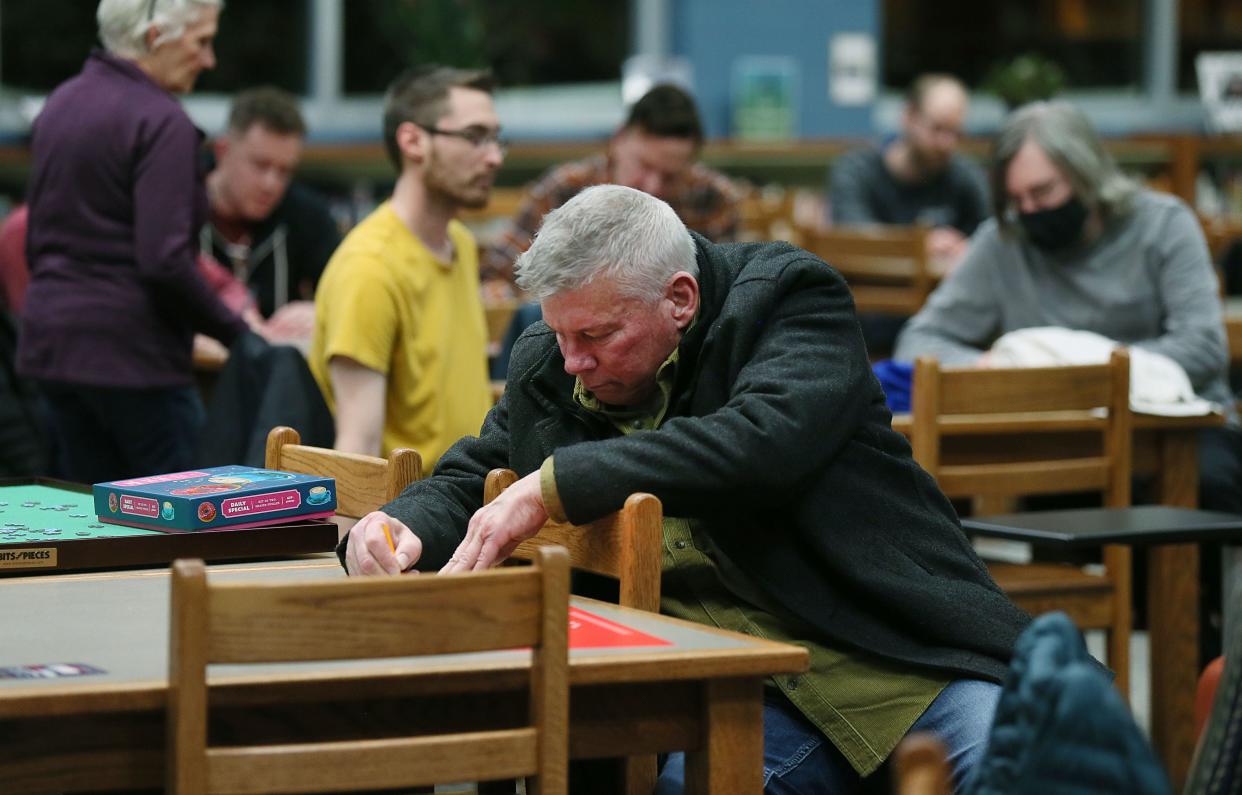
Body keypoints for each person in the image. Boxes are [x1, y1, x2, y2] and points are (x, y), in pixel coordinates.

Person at [341, 184, 1031, 792]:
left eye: (597, 334)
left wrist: (554, 485)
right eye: (558, 333)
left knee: (1027, 767)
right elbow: (476, 469)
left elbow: (763, 441)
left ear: (680, 297)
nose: (574, 362)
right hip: (734, 696)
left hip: (889, 652)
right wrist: (399, 527)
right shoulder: (550, 364)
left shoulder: (788, 299)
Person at [893, 101, 1242, 662]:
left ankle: (1201, 671)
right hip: (1058, 450)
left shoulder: (1163, 224)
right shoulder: (1005, 240)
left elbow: (1203, 347)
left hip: (1178, 442)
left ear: (1088, 176)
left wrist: (1079, 370)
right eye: (1018, 200)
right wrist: (990, 365)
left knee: (1206, 488)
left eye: (1045, 194)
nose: (1030, 210)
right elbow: (921, 342)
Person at [17, 0, 246, 484]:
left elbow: (37, 237)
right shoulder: (162, 121)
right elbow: (164, 260)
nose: (210, 60)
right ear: (154, 37)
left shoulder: (60, 104)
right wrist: (238, 334)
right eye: (201, 41)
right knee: (187, 518)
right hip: (134, 361)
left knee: (82, 527)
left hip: (51, 349)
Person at [308, 65, 499, 468]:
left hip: (472, 503)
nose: (494, 157)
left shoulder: (459, 242)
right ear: (413, 141)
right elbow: (357, 446)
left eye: (496, 138)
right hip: (408, 521)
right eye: (474, 136)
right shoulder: (370, 267)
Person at [480, 83, 742, 292]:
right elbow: (499, 274)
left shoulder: (714, 199)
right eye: (644, 166)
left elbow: (725, 294)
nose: (653, 187)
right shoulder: (566, 189)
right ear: (618, 140)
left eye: (670, 176)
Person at [202, 85, 341, 321]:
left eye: (285, 171)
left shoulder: (308, 215)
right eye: (260, 165)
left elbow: (344, 298)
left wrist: (320, 314)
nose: (271, 184)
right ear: (222, 151)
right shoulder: (176, 206)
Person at [829, 74, 988, 265]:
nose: (947, 143)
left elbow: (993, 237)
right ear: (908, 116)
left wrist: (967, 248)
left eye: (956, 132)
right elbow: (851, 236)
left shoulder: (966, 175)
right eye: (937, 129)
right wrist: (918, 245)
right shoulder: (856, 170)